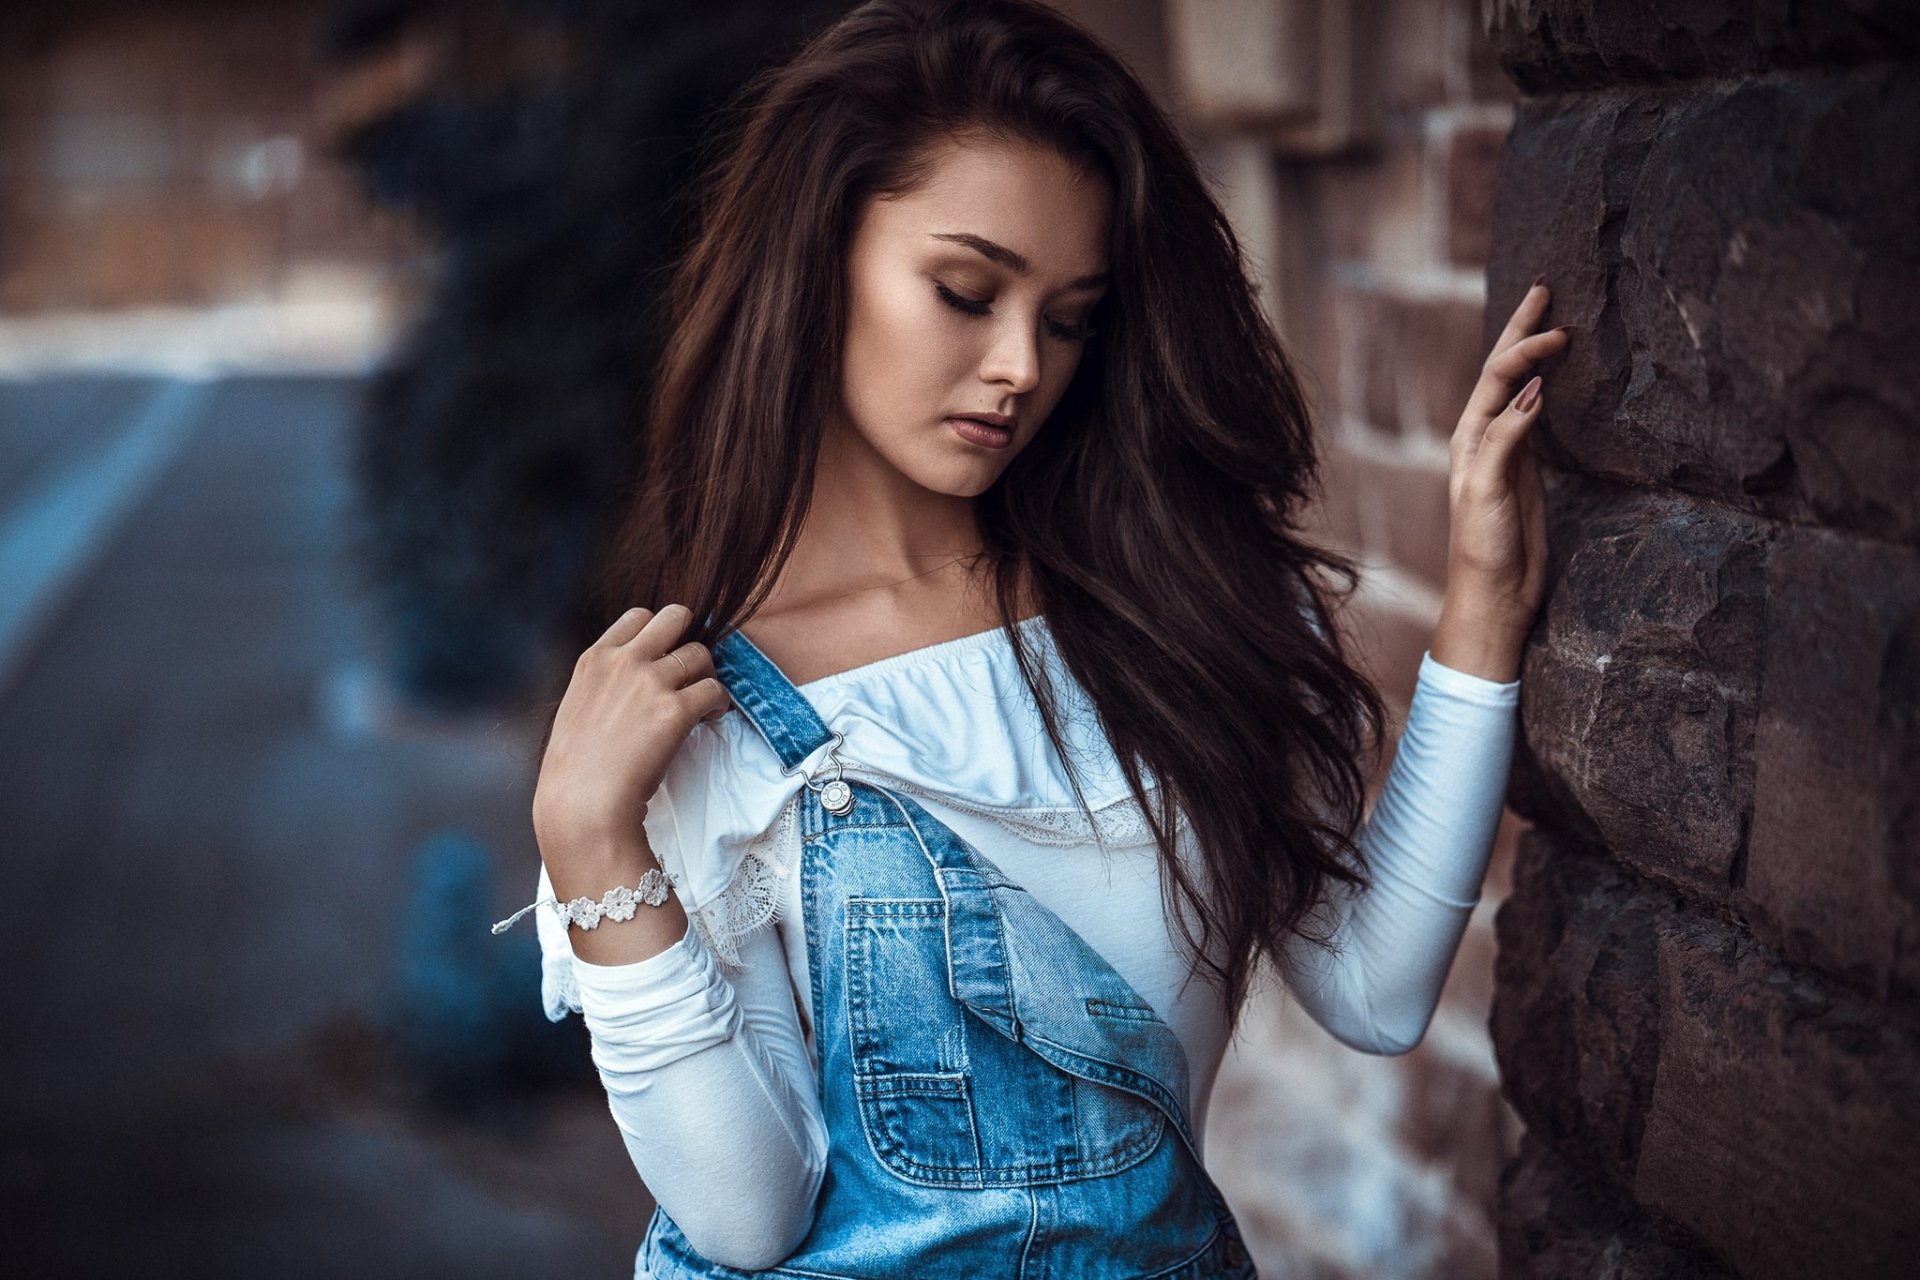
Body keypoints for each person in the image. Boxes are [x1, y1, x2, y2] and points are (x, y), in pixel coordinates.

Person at [500, 1, 1568, 1275]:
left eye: (1069, 319)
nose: (1020, 364)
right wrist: (588, 840)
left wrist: (1483, 600)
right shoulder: (709, 710)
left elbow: (1377, 987)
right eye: (967, 292)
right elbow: (748, 1216)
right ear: (817, 260)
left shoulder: (1180, 611)